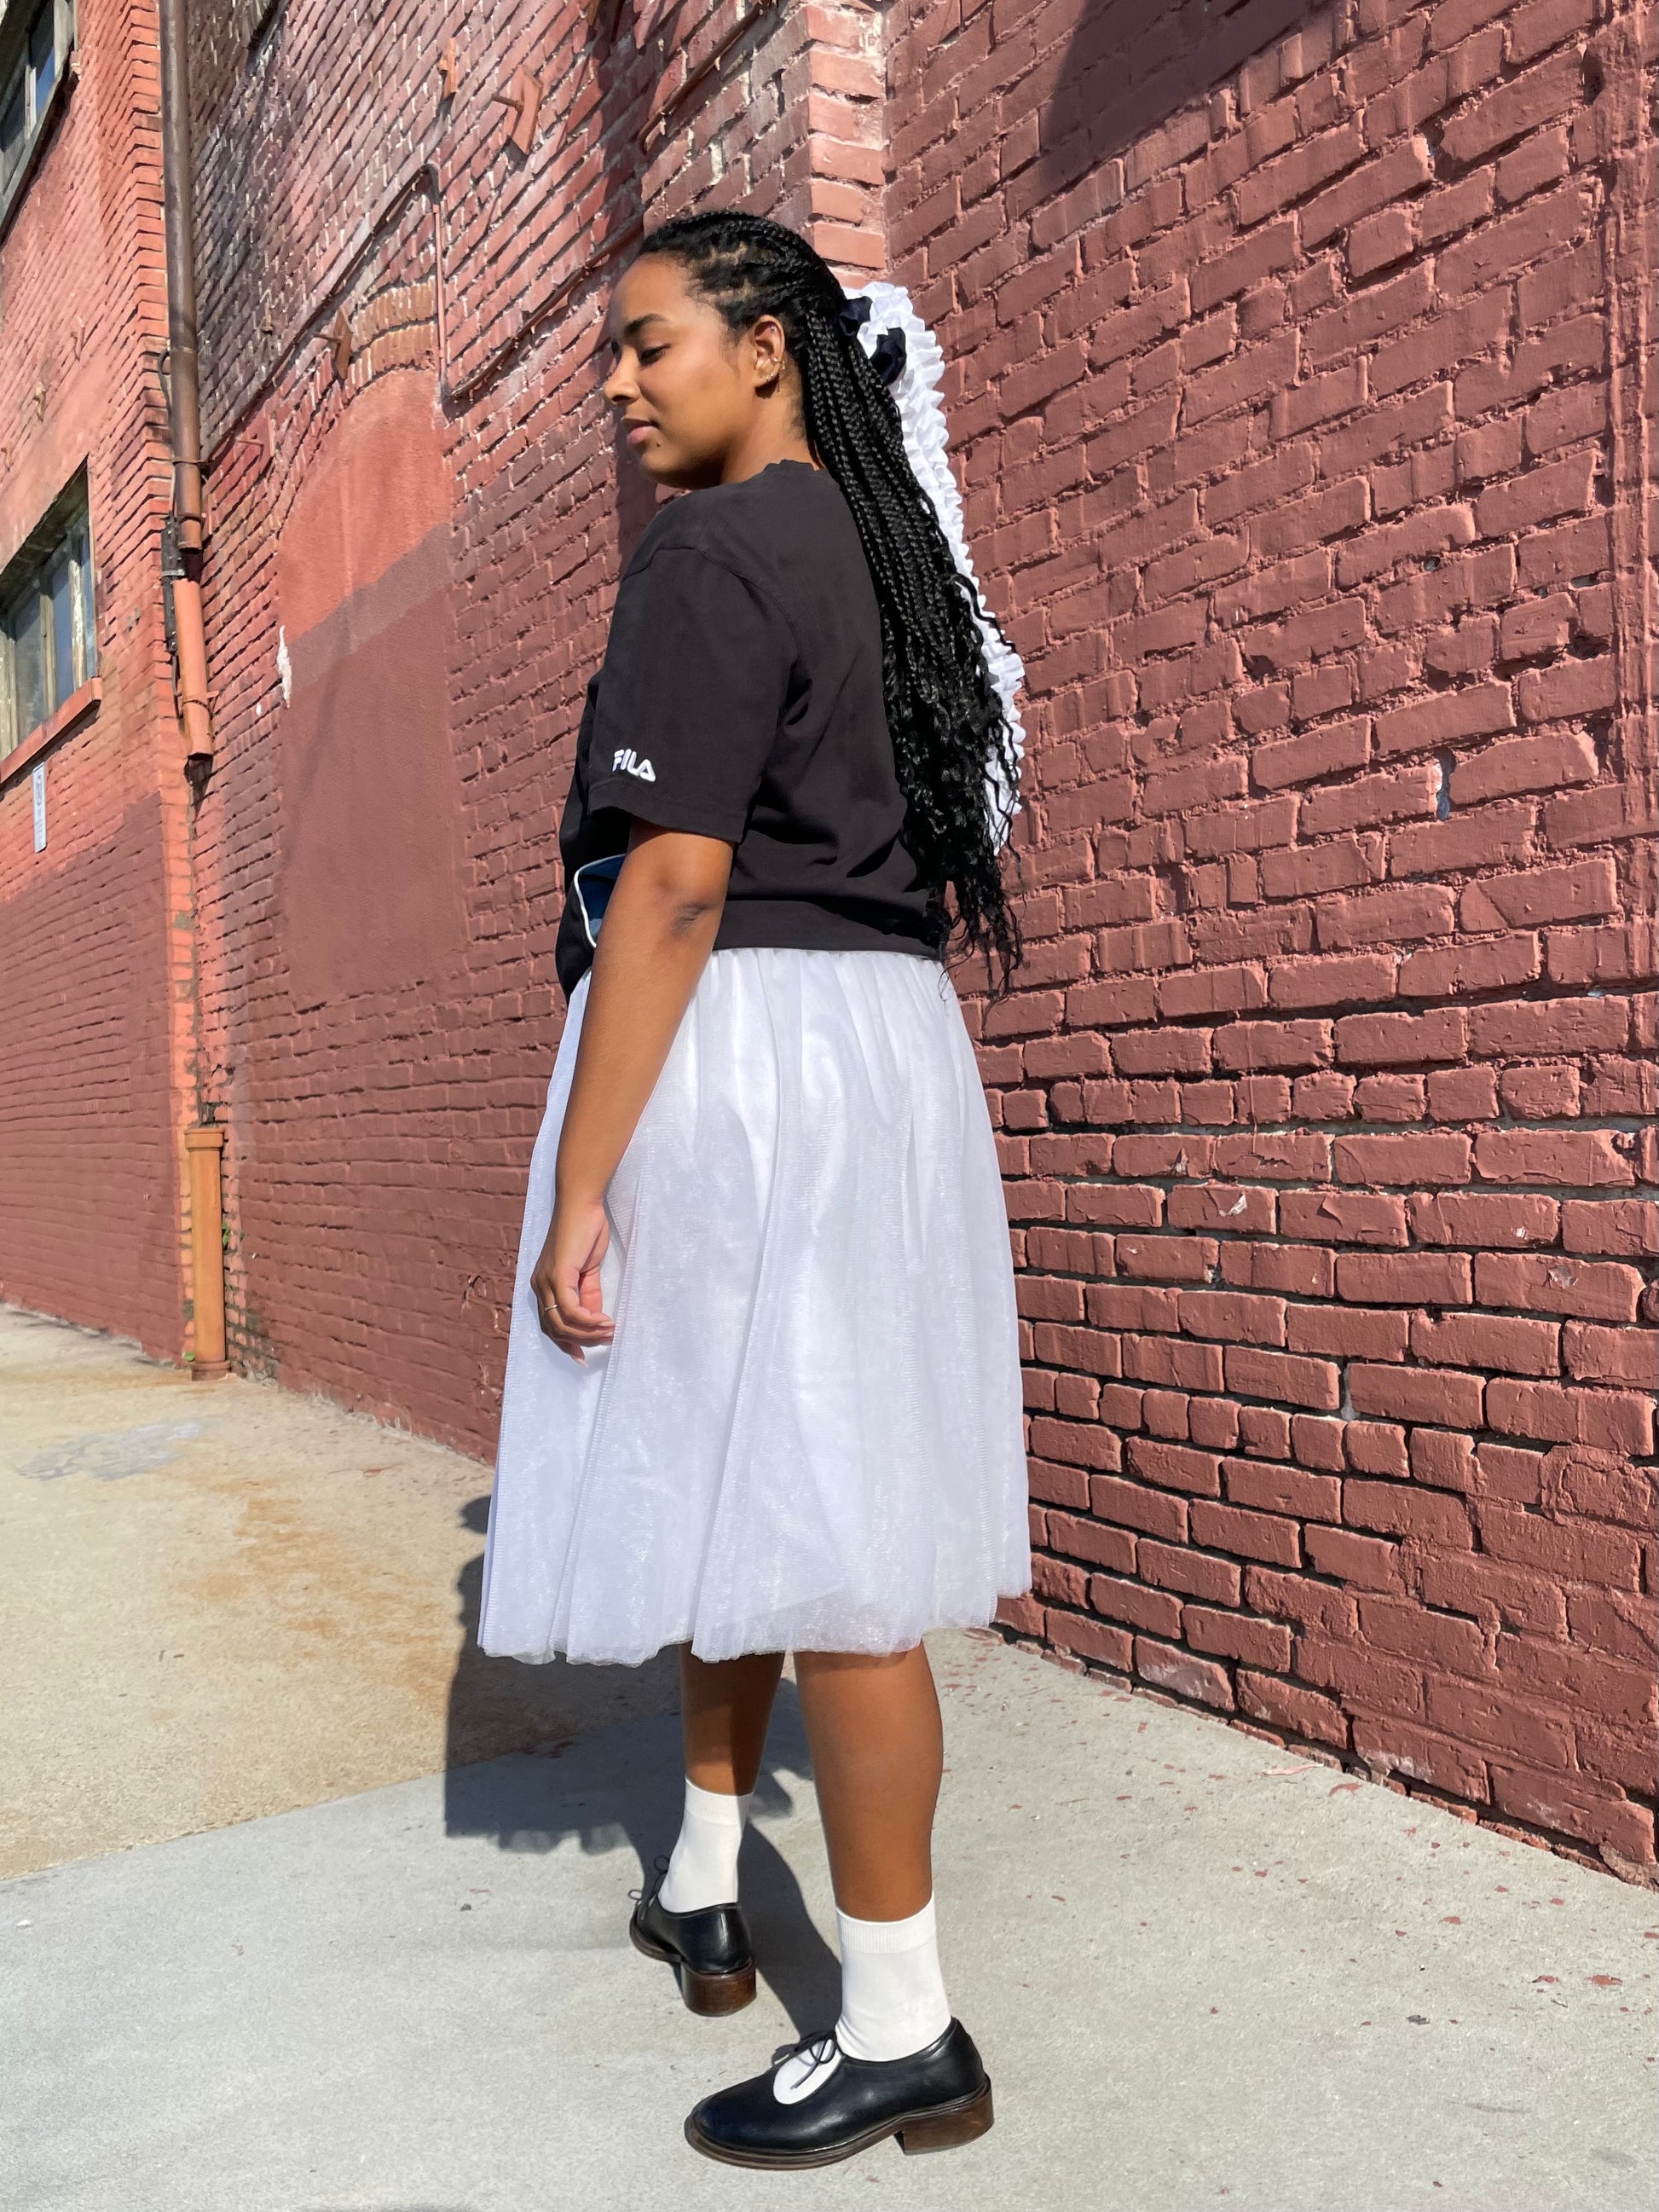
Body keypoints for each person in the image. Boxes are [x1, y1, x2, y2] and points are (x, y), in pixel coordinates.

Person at [477, 207, 1031, 2170]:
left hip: (749, 1052)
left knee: (843, 1570)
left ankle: (902, 2026)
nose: (621, 385)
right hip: (881, 1050)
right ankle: (711, 1871)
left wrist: (582, 1183)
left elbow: (676, 886)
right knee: (761, 1488)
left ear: (773, 343)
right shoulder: (893, 563)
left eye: (650, 345)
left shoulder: (709, 552)